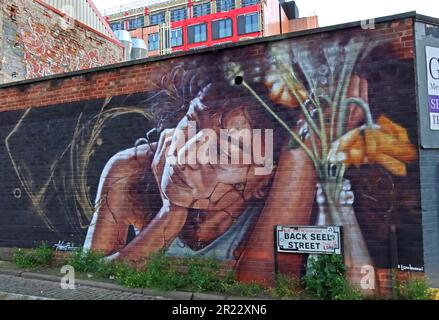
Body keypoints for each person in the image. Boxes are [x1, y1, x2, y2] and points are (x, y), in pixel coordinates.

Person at [83, 61, 370, 284]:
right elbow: (91, 277)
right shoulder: (131, 168)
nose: (190, 155)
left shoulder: (284, 191)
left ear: (263, 182)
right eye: (192, 122)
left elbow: (259, 288)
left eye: (224, 152)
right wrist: (170, 213)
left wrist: (302, 154)